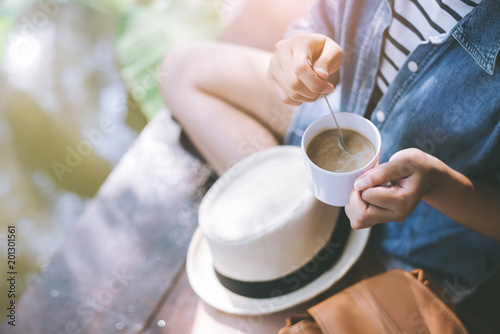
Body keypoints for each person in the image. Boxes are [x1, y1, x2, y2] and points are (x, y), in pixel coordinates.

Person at [160, 0, 500, 299]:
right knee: (182, 70)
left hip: (421, 227)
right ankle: (300, 224)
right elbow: (322, 24)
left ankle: (319, 251)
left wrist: (437, 183)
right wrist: (301, 56)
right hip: (341, 111)